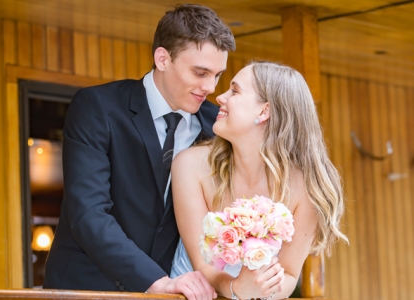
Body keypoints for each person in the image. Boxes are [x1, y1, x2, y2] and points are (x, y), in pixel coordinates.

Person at [43, 4, 235, 299]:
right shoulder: (97, 108)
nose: (209, 86)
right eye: (200, 72)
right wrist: (156, 281)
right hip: (88, 285)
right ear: (163, 58)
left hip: (176, 292)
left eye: (217, 75)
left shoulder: (218, 125)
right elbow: (88, 214)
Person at [170, 61, 349, 299]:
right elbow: (203, 266)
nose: (220, 97)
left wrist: (254, 293)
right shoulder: (190, 165)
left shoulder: (307, 188)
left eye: (234, 91)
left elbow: (288, 274)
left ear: (264, 111)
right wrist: (236, 289)